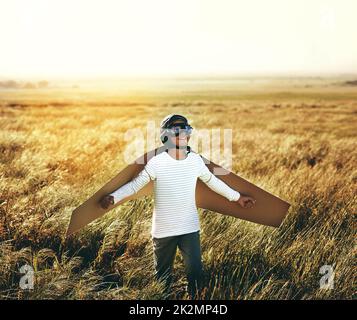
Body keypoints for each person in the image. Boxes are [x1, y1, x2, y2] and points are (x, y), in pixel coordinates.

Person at [99, 114, 256, 299]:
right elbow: (134, 185)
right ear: (165, 136)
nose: (182, 135)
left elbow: (213, 182)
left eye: (185, 131)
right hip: (163, 231)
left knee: (196, 275)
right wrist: (113, 197)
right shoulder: (156, 162)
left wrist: (237, 198)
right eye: (176, 131)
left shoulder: (196, 160)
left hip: (190, 228)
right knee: (162, 279)